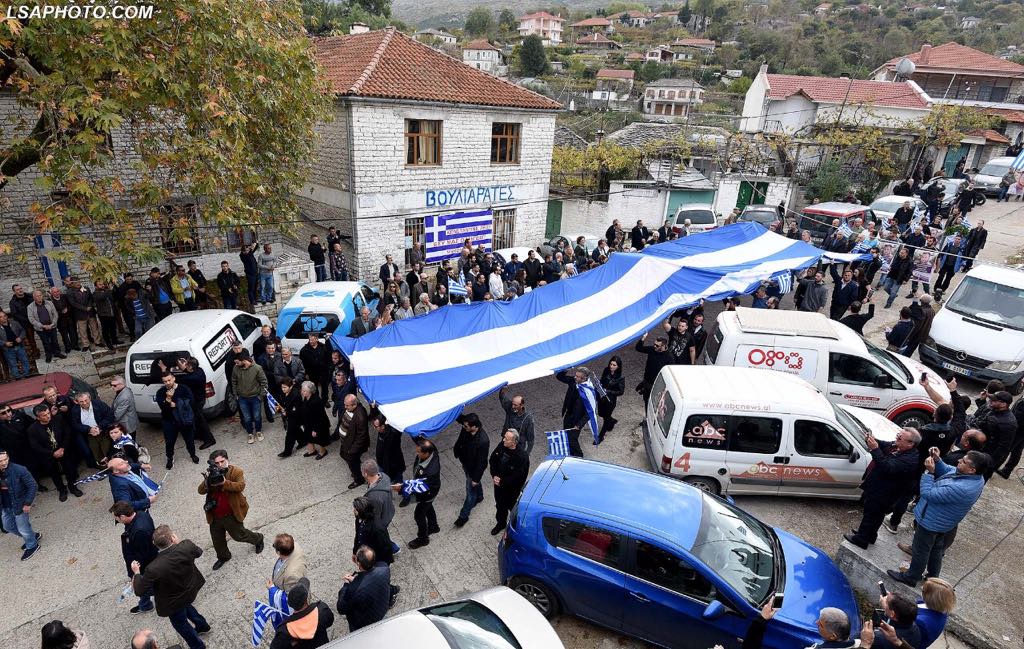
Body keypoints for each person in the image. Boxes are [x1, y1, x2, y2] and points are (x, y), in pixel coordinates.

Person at [887, 448, 988, 587]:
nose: (959, 460)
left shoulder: (961, 488)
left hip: (931, 522)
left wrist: (929, 472)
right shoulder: (976, 478)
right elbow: (949, 470)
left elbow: (928, 493)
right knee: (936, 550)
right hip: (944, 522)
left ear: (972, 469)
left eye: (963, 461)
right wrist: (937, 460)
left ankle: (911, 577)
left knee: (920, 550)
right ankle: (933, 577)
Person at [131, 525, 210, 649]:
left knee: (181, 624)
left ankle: (198, 646)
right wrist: (178, 545)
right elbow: (198, 552)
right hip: (188, 591)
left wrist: (136, 573)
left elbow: (140, 590)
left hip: (172, 602)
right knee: (187, 606)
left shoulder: (153, 568)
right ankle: (202, 625)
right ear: (173, 537)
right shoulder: (186, 546)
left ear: (154, 543)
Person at [844, 427, 921, 549]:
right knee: (875, 515)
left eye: (900, 438)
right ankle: (869, 535)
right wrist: (872, 439)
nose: (896, 438)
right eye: (897, 435)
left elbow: (887, 466)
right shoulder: (898, 447)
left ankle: (861, 539)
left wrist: (875, 449)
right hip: (880, 488)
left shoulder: (910, 459)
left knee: (871, 513)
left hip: (885, 493)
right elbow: (883, 444)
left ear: (910, 443)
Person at [197, 449, 264, 570]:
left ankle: (258, 539)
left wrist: (224, 482)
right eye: (216, 463)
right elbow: (200, 491)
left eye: (222, 461)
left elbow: (240, 486)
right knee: (217, 539)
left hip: (231, 513)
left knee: (239, 535)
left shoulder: (236, 471)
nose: (220, 465)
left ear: (227, 460)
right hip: (215, 514)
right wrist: (207, 481)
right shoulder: (210, 474)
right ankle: (223, 556)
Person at [110, 500, 158, 613]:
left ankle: (148, 603)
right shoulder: (142, 515)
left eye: (116, 518)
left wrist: (135, 573)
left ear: (122, 516)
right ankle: (145, 604)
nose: (116, 520)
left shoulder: (139, 531)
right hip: (148, 558)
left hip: (145, 564)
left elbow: (142, 555)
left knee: (144, 586)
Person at [27, 403, 81, 501]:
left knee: (70, 470)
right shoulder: (32, 430)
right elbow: (36, 446)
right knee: (54, 474)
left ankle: (73, 487)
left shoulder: (58, 419)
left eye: (48, 413)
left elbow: (67, 433)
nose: (48, 416)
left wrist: (62, 448)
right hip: (48, 456)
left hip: (63, 450)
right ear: (38, 417)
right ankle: (62, 490)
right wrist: (52, 453)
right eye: (44, 415)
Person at [336, 546, 391, 631]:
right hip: (381, 610)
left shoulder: (353, 589)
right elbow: (371, 582)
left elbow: (341, 608)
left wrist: (346, 585)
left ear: (359, 564)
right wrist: (356, 580)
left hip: (363, 623)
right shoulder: (384, 569)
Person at [0, 448, 41, 561]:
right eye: (1, 461)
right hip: (5, 505)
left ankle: (32, 545)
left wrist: (27, 503)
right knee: (7, 526)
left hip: (20, 504)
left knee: (23, 528)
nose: (4, 462)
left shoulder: (19, 469)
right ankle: (32, 536)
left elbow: (33, 486)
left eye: (6, 459)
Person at [271, 581, 334, 649]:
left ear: (290, 604)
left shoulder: (284, 631)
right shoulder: (322, 610)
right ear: (306, 600)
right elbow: (330, 622)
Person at [155, 372, 199, 470]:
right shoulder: (161, 392)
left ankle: (193, 455)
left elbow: (191, 401)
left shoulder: (184, 389)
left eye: (169, 380)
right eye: (165, 381)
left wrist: (176, 404)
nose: (167, 382)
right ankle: (170, 458)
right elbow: (163, 407)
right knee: (169, 442)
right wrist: (168, 399)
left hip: (184, 420)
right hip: (169, 421)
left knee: (189, 440)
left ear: (174, 378)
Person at [489, 428, 529, 535]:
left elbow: (519, 477)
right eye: (504, 437)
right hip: (498, 486)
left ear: (514, 442)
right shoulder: (502, 446)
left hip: (512, 490)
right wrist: (494, 475)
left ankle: (516, 527)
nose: (503, 440)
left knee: (513, 509)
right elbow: (493, 460)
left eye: (506, 439)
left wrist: (502, 482)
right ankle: (501, 523)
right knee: (500, 506)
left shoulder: (522, 456)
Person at [402, 439, 441, 549]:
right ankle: (433, 526)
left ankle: (423, 539)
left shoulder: (430, 471)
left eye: (419, 452)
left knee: (419, 515)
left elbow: (418, 487)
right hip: (430, 491)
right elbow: (421, 438)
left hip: (427, 493)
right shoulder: (431, 450)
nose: (417, 454)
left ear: (427, 453)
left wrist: (402, 489)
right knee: (428, 507)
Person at [453, 412, 489, 527]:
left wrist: (476, 478)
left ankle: (463, 516)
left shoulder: (483, 441)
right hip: (466, 462)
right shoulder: (468, 425)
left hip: (473, 469)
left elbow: (482, 462)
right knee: (474, 485)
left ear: (474, 426)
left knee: (470, 492)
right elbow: (459, 417)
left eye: (466, 426)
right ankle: (480, 497)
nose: (464, 427)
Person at [370, 412, 407, 507]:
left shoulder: (393, 434)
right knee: (385, 481)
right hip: (383, 464)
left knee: (399, 483)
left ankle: (405, 496)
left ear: (383, 425)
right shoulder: (381, 432)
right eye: (375, 426)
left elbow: (399, 429)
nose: (376, 428)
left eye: (377, 426)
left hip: (394, 465)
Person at [232, 350, 268, 445]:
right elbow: (233, 381)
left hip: (255, 397)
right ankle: (250, 433)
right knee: (246, 417)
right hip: (242, 398)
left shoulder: (257, 368)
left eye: (237, 362)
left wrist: (261, 395)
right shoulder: (236, 368)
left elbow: (264, 382)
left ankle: (258, 431)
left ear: (243, 360)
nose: (236, 364)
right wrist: (236, 394)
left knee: (257, 416)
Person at [70, 392, 114, 468]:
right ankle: (103, 468)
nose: (84, 403)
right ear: (77, 402)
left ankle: (113, 466)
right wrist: (89, 429)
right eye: (81, 401)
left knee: (107, 450)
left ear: (90, 398)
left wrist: (99, 427)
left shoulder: (99, 404)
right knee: (96, 452)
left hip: (102, 431)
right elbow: (75, 424)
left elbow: (110, 415)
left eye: (86, 400)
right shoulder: (75, 410)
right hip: (89, 434)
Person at [337, 394, 369, 486]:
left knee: (352, 462)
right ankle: (356, 468)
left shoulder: (360, 416)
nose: (345, 407)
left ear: (354, 405)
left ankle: (358, 479)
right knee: (343, 455)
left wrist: (353, 450)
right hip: (346, 442)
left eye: (347, 405)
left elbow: (361, 436)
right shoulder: (349, 409)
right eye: (345, 404)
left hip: (351, 446)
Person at [352, 495, 393, 565]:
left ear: (362, 512)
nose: (353, 511)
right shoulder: (359, 519)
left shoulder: (377, 528)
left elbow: (386, 548)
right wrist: (355, 552)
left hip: (374, 559)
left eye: (355, 509)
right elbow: (358, 535)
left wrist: (381, 565)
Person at [26, 290, 65, 363]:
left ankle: (57, 352)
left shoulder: (49, 303)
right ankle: (48, 355)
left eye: (40, 295)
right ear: (34, 297)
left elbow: (55, 314)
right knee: (46, 342)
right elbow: (31, 319)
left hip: (51, 326)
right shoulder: (30, 307)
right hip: (40, 328)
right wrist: (42, 326)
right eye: (37, 296)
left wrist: (52, 324)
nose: (40, 297)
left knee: (54, 340)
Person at [635, 332, 671, 406]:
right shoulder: (652, 349)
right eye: (654, 344)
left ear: (663, 346)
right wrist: (643, 338)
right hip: (647, 380)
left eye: (657, 345)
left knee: (652, 403)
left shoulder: (669, 357)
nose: (654, 346)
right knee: (646, 400)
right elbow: (638, 348)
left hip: (657, 384)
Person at [497, 387, 535, 457]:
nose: (513, 406)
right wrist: (503, 390)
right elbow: (502, 398)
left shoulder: (528, 419)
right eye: (512, 404)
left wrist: (526, 454)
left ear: (522, 405)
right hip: (506, 441)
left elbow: (531, 439)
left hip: (518, 447)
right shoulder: (510, 407)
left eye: (515, 405)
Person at [299, 380, 332, 460]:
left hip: (318, 424)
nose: (302, 392)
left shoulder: (316, 401)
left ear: (310, 391)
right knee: (308, 436)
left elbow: (319, 417)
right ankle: (312, 451)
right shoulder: (306, 398)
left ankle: (323, 451)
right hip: (309, 422)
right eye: (302, 390)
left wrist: (315, 430)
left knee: (319, 439)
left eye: (304, 391)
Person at [597, 356, 625, 440]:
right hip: (602, 397)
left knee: (606, 418)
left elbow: (621, 392)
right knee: (601, 414)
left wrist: (608, 391)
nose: (611, 366)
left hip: (610, 401)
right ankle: (611, 420)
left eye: (614, 365)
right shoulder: (606, 370)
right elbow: (602, 380)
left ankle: (601, 436)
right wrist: (599, 384)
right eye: (611, 364)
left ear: (618, 367)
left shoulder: (620, 378)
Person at [276, 378, 305, 458]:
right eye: (282, 387)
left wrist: (287, 413)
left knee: (290, 434)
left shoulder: (296, 395)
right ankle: (303, 441)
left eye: (285, 387)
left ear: (291, 386)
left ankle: (287, 452)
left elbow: (297, 410)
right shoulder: (283, 393)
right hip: (289, 415)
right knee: (296, 429)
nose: (283, 389)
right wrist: (279, 408)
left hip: (296, 416)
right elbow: (282, 403)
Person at [0, 311, 32, 379]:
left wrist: (20, 337)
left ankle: (27, 374)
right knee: (12, 364)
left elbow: (23, 331)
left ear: (7, 316)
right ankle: (17, 377)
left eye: (4, 316)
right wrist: (5, 343)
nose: (3, 318)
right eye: (1, 317)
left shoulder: (14, 323)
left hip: (19, 346)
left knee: (24, 360)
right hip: (8, 349)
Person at [47, 285, 77, 353]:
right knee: (64, 335)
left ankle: (75, 345)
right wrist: (61, 312)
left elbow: (70, 305)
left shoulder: (64, 296)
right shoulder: (50, 301)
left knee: (72, 333)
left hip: (69, 318)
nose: (57, 293)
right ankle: (67, 347)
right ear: (51, 293)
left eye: (58, 291)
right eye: (55, 292)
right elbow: (52, 312)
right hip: (60, 321)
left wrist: (67, 309)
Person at [239, 242, 259, 308]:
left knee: (255, 287)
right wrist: (251, 247)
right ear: (243, 251)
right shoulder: (243, 256)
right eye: (246, 250)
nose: (247, 251)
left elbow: (254, 249)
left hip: (255, 273)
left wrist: (256, 243)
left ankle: (255, 299)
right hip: (250, 275)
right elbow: (251, 251)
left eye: (248, 250)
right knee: (251, 288)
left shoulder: (250, 253)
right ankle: (252, 300)